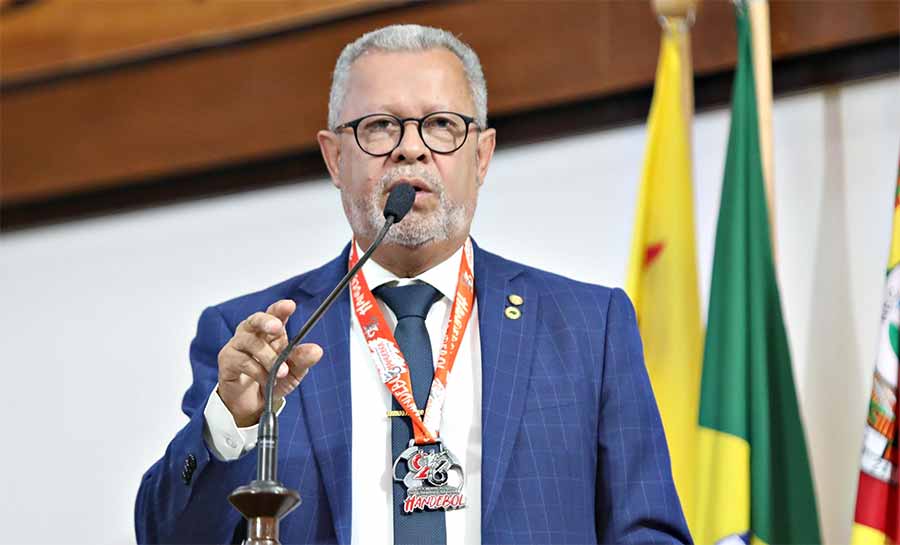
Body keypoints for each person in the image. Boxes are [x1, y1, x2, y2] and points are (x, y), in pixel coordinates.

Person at [135, 24, 691, 545]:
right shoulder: (258, 337)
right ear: (334, 157)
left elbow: (646, 531)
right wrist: (232, 421)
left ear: (482, 155)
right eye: (379, 125)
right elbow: (168, 537)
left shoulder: (589, 329)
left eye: (442, 124)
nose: (411, 148)